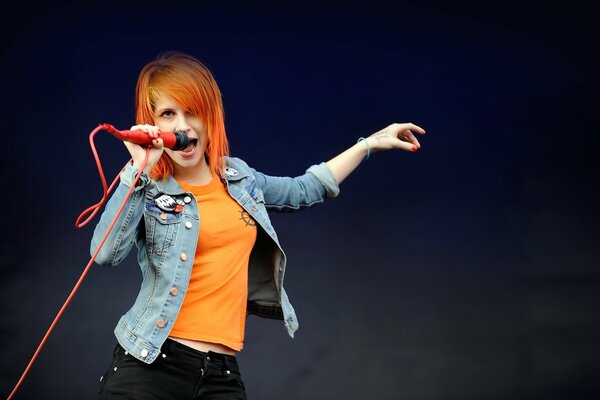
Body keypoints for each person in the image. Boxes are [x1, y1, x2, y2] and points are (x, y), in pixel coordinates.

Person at [91, 50, 426, 400]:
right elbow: (104, 253)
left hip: (220, 376)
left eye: (192, 112)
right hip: (149, 367)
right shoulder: (146, 187)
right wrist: (138, 171)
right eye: (168, 114)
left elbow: (304, 188)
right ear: (152, 125)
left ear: (210, 117)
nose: (181, 126)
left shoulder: (239, 178)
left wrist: (368, 145)